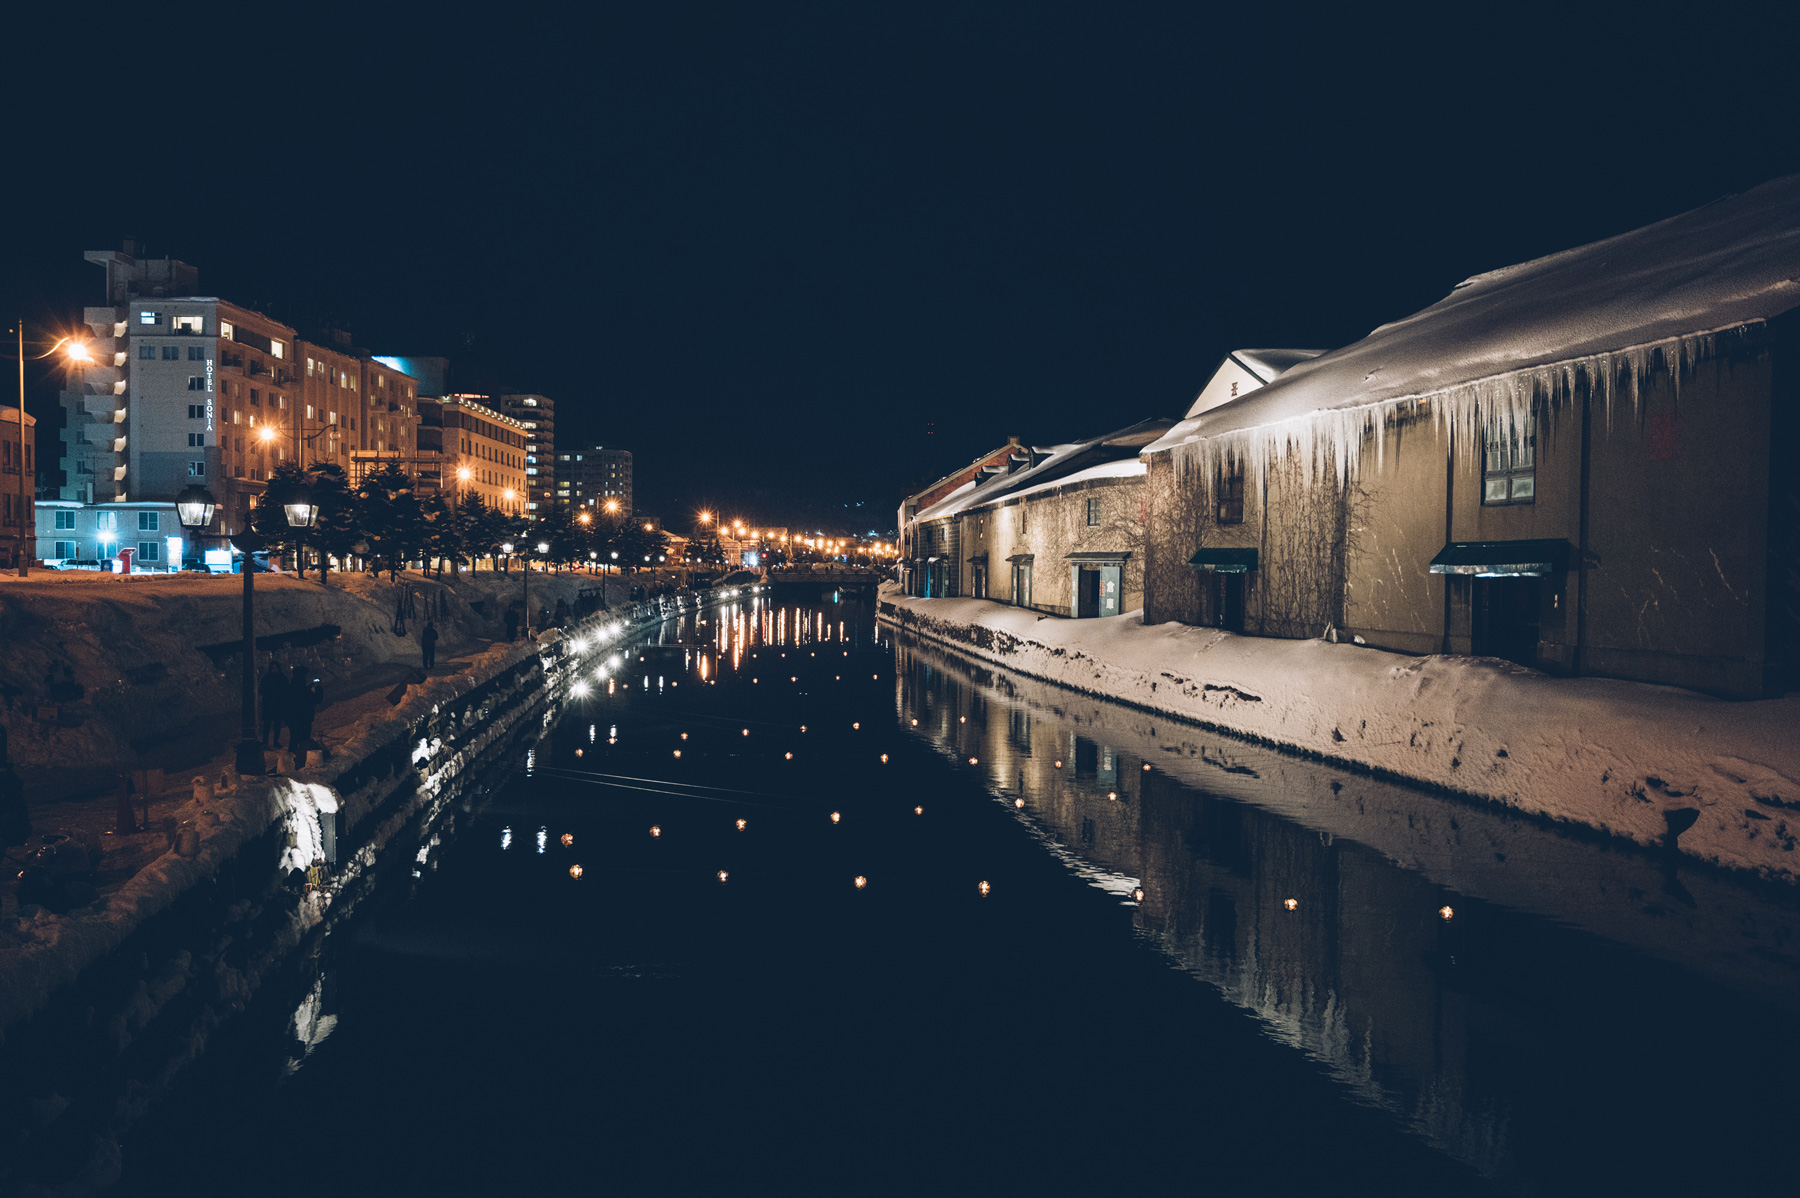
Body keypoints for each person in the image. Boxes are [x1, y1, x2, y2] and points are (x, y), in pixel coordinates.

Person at [260, 661, 289, 748]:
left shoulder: (282, 678)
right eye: (273, 668)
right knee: (267, 725)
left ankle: (275, 742)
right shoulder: (266, 679)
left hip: (278, 705)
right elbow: (262, 690)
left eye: (276, 668)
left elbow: (286, 691)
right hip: (269, 705)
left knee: (277, 725)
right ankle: (265, 743)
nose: (274, 670)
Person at [290, 677, 323, 752]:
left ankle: (292, 755)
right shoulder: (306, 691)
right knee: (304, 738)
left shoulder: (293, 690)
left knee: (294, 739)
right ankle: (300, 755)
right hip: (305, 717)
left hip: (295, 718)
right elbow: (316, 699)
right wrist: (318, 688)